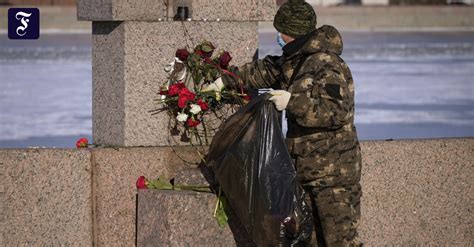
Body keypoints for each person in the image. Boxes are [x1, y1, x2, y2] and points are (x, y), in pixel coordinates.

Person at [206, 0, 363, 246]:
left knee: (339, 242)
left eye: (281, 30)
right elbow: (264, 71)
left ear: (292, 32)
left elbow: (335, 112)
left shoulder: (327, 64)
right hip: (303, 173)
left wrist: (292, 102)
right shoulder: (294, 61)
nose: (278, 36)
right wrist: (226, 81)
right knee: (305, 241)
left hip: (333, 177)